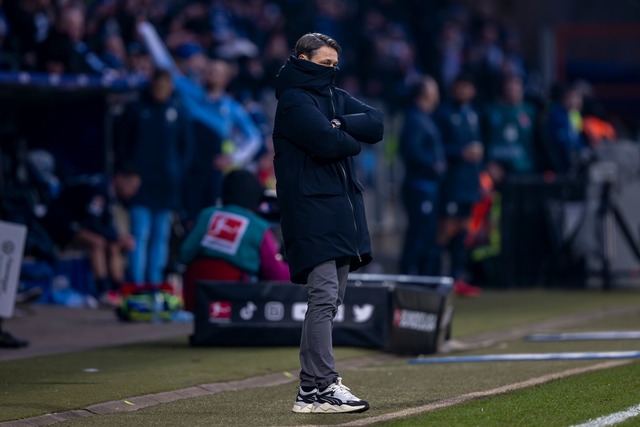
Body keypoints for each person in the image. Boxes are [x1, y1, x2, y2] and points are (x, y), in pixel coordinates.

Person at [272, 32, 383, 414]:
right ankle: (324, 384)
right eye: (324, 63)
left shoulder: (331, 99)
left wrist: (337, 124)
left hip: (338, 212)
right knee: (323, 298)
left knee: (330, 300)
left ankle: (310, 390)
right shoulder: (293, 101)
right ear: (302, 58)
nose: (331, 71)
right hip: (311, 212)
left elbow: (377, 124)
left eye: (334, 64)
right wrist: (342, 133)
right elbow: (330, 144)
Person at [116, 68, 194, 285]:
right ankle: (136, 283)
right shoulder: (136, 108)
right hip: (140, 184)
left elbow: (186, 148)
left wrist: (177, 172)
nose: (161, 90)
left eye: (165, 85)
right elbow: (122, 143)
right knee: (139, 234)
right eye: (157, 85)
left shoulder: (178, 110)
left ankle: (154, 283)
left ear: (170, 87)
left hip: (167, 185)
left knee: (161, 237)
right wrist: (128, 172)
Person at [179, 169, 289, 312]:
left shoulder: (207, 215)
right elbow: (275, 273)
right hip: (236, 304)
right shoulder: (259, 227)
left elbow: (185, 253)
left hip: (196, 296)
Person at [41, 167, 141, 303]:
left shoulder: (111, 193)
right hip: (60, 225)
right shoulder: (99, 188)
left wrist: (119, 238)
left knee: (114, 245)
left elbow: (105, 223)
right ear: (119, 178)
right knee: (97, 242)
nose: (133, 191)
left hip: (80, 225)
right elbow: (92, 222)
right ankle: (103, 291)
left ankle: (120, 290)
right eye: (131, 186)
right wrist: (115, 237)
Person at [435, 74, 483, 297]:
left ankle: (456, 277)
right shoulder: (444, 114)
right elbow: (437, 147)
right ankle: (436, 277)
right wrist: (460, 153)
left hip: (469, 182)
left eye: (468, 87)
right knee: (445, 230)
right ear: (454, 89)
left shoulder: (473, 113)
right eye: (460, 87)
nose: (464, 91)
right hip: (451, 183)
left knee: (464, 231)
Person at [398, 76, 446, 277]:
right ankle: (409, 275)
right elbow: (411, 150)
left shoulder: (425, 118)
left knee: (426, 234)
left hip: (429, 187)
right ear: (426, 94)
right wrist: (433, 164)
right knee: (418, 234)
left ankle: (422, 277)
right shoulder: (415, 119)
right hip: (420, 186)